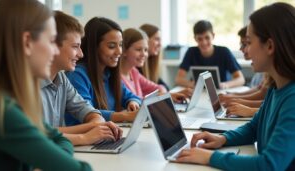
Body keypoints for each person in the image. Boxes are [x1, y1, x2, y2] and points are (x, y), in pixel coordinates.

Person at [176, 3, 295, 171]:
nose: (245, 51)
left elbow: (269, 165)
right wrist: (223, 138)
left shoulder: (292, 98)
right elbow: (254, 128)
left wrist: (211, 157)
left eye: (248, 42)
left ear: (269, 46)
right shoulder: (276, 88)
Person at [0, 0, 91, 170]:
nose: (55, 51)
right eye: (52, 41)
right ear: (27, 42)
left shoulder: (15, 99)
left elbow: (59, 139)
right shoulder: (3, 110)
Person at [41, 11, 122, 146]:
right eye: (75, 47)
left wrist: (97, 126)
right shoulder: (26, 84)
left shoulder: (61, 78)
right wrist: (86, 136)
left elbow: (90, 112)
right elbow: (39, 134)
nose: (81, 54)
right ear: (53, 45)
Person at [66, 17, 141, 123]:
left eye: (120, 45)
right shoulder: (77, 75)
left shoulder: (108, 73)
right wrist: (124, 116)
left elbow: (130, 96)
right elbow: (87, 113)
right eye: (111, 46)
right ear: (94, 47)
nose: (119, 51)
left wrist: (132, 102)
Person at [120, 28, 190, 102]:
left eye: (146, 50)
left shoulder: (133, 72)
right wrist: (164, 95)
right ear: (124, 51)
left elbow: (160, 88)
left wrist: (168, 95)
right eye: (138, 49)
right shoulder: (118, 78)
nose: (144, 54)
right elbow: (133, 103)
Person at [175, 20, 245, 89]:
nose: (204, 42)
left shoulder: (224, 52)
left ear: (213, 36)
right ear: (195, 39)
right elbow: (178, 79)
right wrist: (192, 84)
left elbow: (241, 79)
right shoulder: (191, 52)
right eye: (200, 39)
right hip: (199, 91)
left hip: (220, 92)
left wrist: (226, 85)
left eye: (207, 38)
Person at [139, 23, 170, 90]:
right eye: (156, 39)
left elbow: (165, 87)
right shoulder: (136, 66)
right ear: (145, 40)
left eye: (160, 40)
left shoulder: (150, 62)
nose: (160, 44)